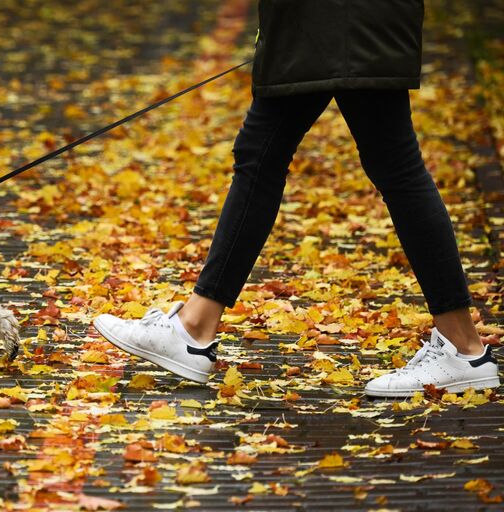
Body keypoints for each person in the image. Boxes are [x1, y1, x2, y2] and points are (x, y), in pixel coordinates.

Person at [93, 0, 500, 397]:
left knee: (374, 164)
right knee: (274, 156)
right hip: (339, 21)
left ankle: (463, 347)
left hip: (337, 20)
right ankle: (195, 325)